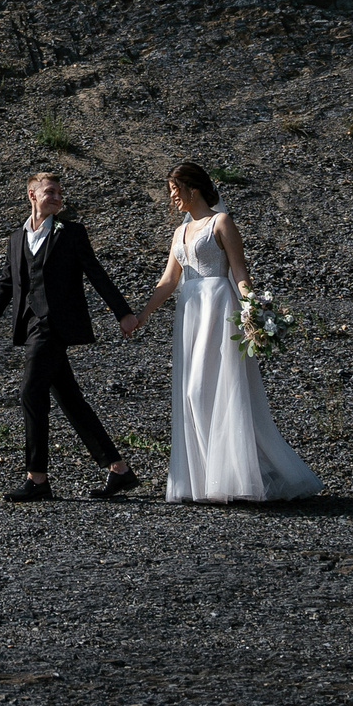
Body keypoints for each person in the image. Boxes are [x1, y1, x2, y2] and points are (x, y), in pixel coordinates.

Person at [123, 161, 323, 503]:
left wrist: (253, 311)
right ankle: (209, 480)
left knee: (209, 390)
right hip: (191, 312)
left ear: (193, 188)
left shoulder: (221, 222)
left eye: (175, 190)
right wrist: (141, 315)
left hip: (219, 307)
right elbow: (169, 280)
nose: (172, 197)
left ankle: (241, 475)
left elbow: (240, 273)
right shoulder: (180, 233)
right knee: (193, 393)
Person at [0, 169, 139, 503]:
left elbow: (96, 273)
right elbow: (8, 281)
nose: (56, 197)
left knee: (30, 391)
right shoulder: (16, 237)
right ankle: (119, 469)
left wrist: (122, 312)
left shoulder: (71, 233)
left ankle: (37, 478)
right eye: (49, 192)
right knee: (70, 399)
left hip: (55, 325)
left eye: (59, 193)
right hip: (30, 324)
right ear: (32, 195)